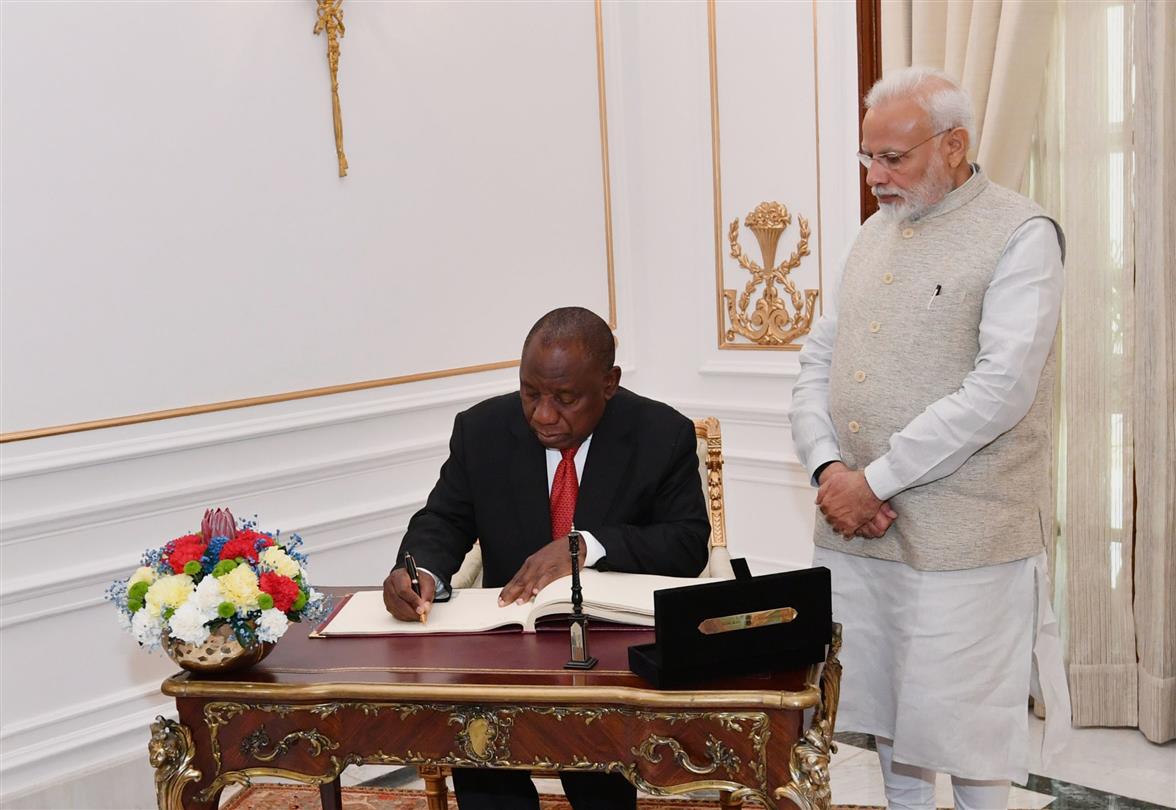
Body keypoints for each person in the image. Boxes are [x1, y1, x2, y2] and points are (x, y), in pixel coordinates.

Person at [790, 66, 1070, 810]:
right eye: (867, 158)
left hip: (967, 539)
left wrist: (872, 481)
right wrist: (826, 469)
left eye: (893, 158)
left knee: (966, 736)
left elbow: (998, 391)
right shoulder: (866, 239)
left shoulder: (1022, 233)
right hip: (859, 533)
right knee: (885, 720)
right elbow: (816, 359)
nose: (876, 176)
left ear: (954, 145)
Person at [384, 305, 711, 810]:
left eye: (564, 398)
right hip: (509, 644)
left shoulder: (660, 434)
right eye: (530, 393)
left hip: (608, 649)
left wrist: (588, 546)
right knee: (482, 759)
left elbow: (687, 544)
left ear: (609, 383)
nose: (542, 414)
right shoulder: (482, 431)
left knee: (598, 778)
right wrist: (418, 569)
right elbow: (443, 519)